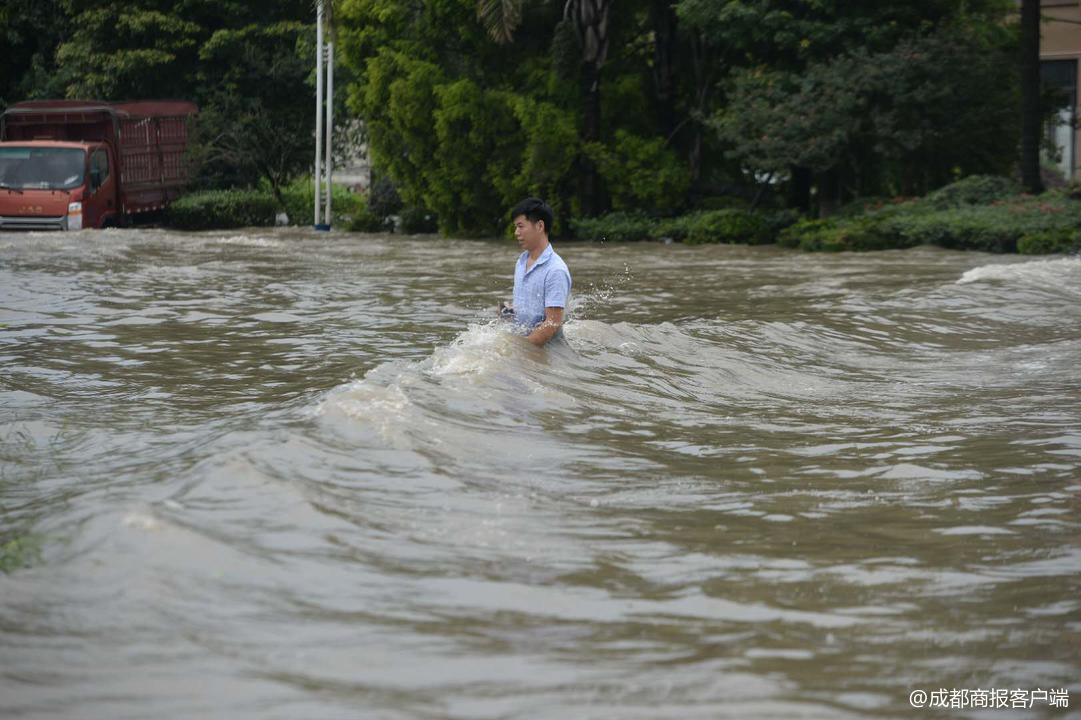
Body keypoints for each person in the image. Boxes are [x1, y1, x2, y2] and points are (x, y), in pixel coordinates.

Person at [502, 197, 571, 347]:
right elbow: (525, 309)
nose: (516, 232)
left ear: (540, 226)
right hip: (522, 343)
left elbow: (552, 323)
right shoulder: (521, 261)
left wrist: (520, 350)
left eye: (520, 226)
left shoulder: (555, 270)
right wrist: (508, 313)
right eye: (516, 227)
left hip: (546, 354)